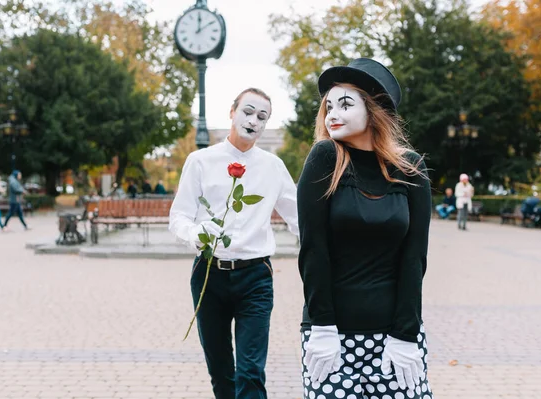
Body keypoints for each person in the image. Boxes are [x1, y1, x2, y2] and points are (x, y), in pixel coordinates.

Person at [297, 58, 433, 398]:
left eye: (345, 104)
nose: (332, 114)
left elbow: (415, 258)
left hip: (393, 336)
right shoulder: (325, 157)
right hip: (332, 335)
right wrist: (323, 326)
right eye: (329, 106)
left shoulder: (411, 168)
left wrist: (406, 334)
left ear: (373, 110)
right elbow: (313, 249)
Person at [169, 87, 299, 399]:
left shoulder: (273, 167)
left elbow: (300, 219)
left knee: (250, 372)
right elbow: (179, 218)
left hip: (255, 278)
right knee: (221, 371)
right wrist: (198, 234)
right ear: (232, 111)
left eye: (262, 117)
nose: (254, 120)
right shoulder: (200, 161)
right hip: (209, 274)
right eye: (248, 111)